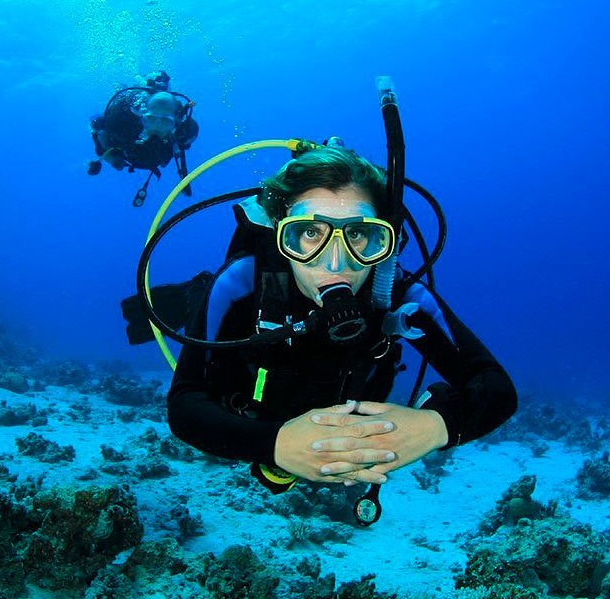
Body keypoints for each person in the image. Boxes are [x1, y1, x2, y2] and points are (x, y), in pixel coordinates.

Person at [165, 147, 517, 496]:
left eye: (358, 234)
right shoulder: (241, 283)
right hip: (254, 400)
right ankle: (190, 292)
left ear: (384, 239)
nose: (335, 265)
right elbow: (184, 405)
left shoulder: (396, 294)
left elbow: (496, 387)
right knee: (200, 300)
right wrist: (274, 444)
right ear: (278, 232)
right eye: (309, 232)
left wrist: (437, 426)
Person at [87, 71, 199, 206]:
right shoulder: (121, 123)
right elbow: (96, 123)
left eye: (165, 122)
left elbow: (184, 145)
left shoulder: (184, 132)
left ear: (175, 123)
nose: (157, 127)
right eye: (151, 119)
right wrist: (111, 157)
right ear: (142, 116)